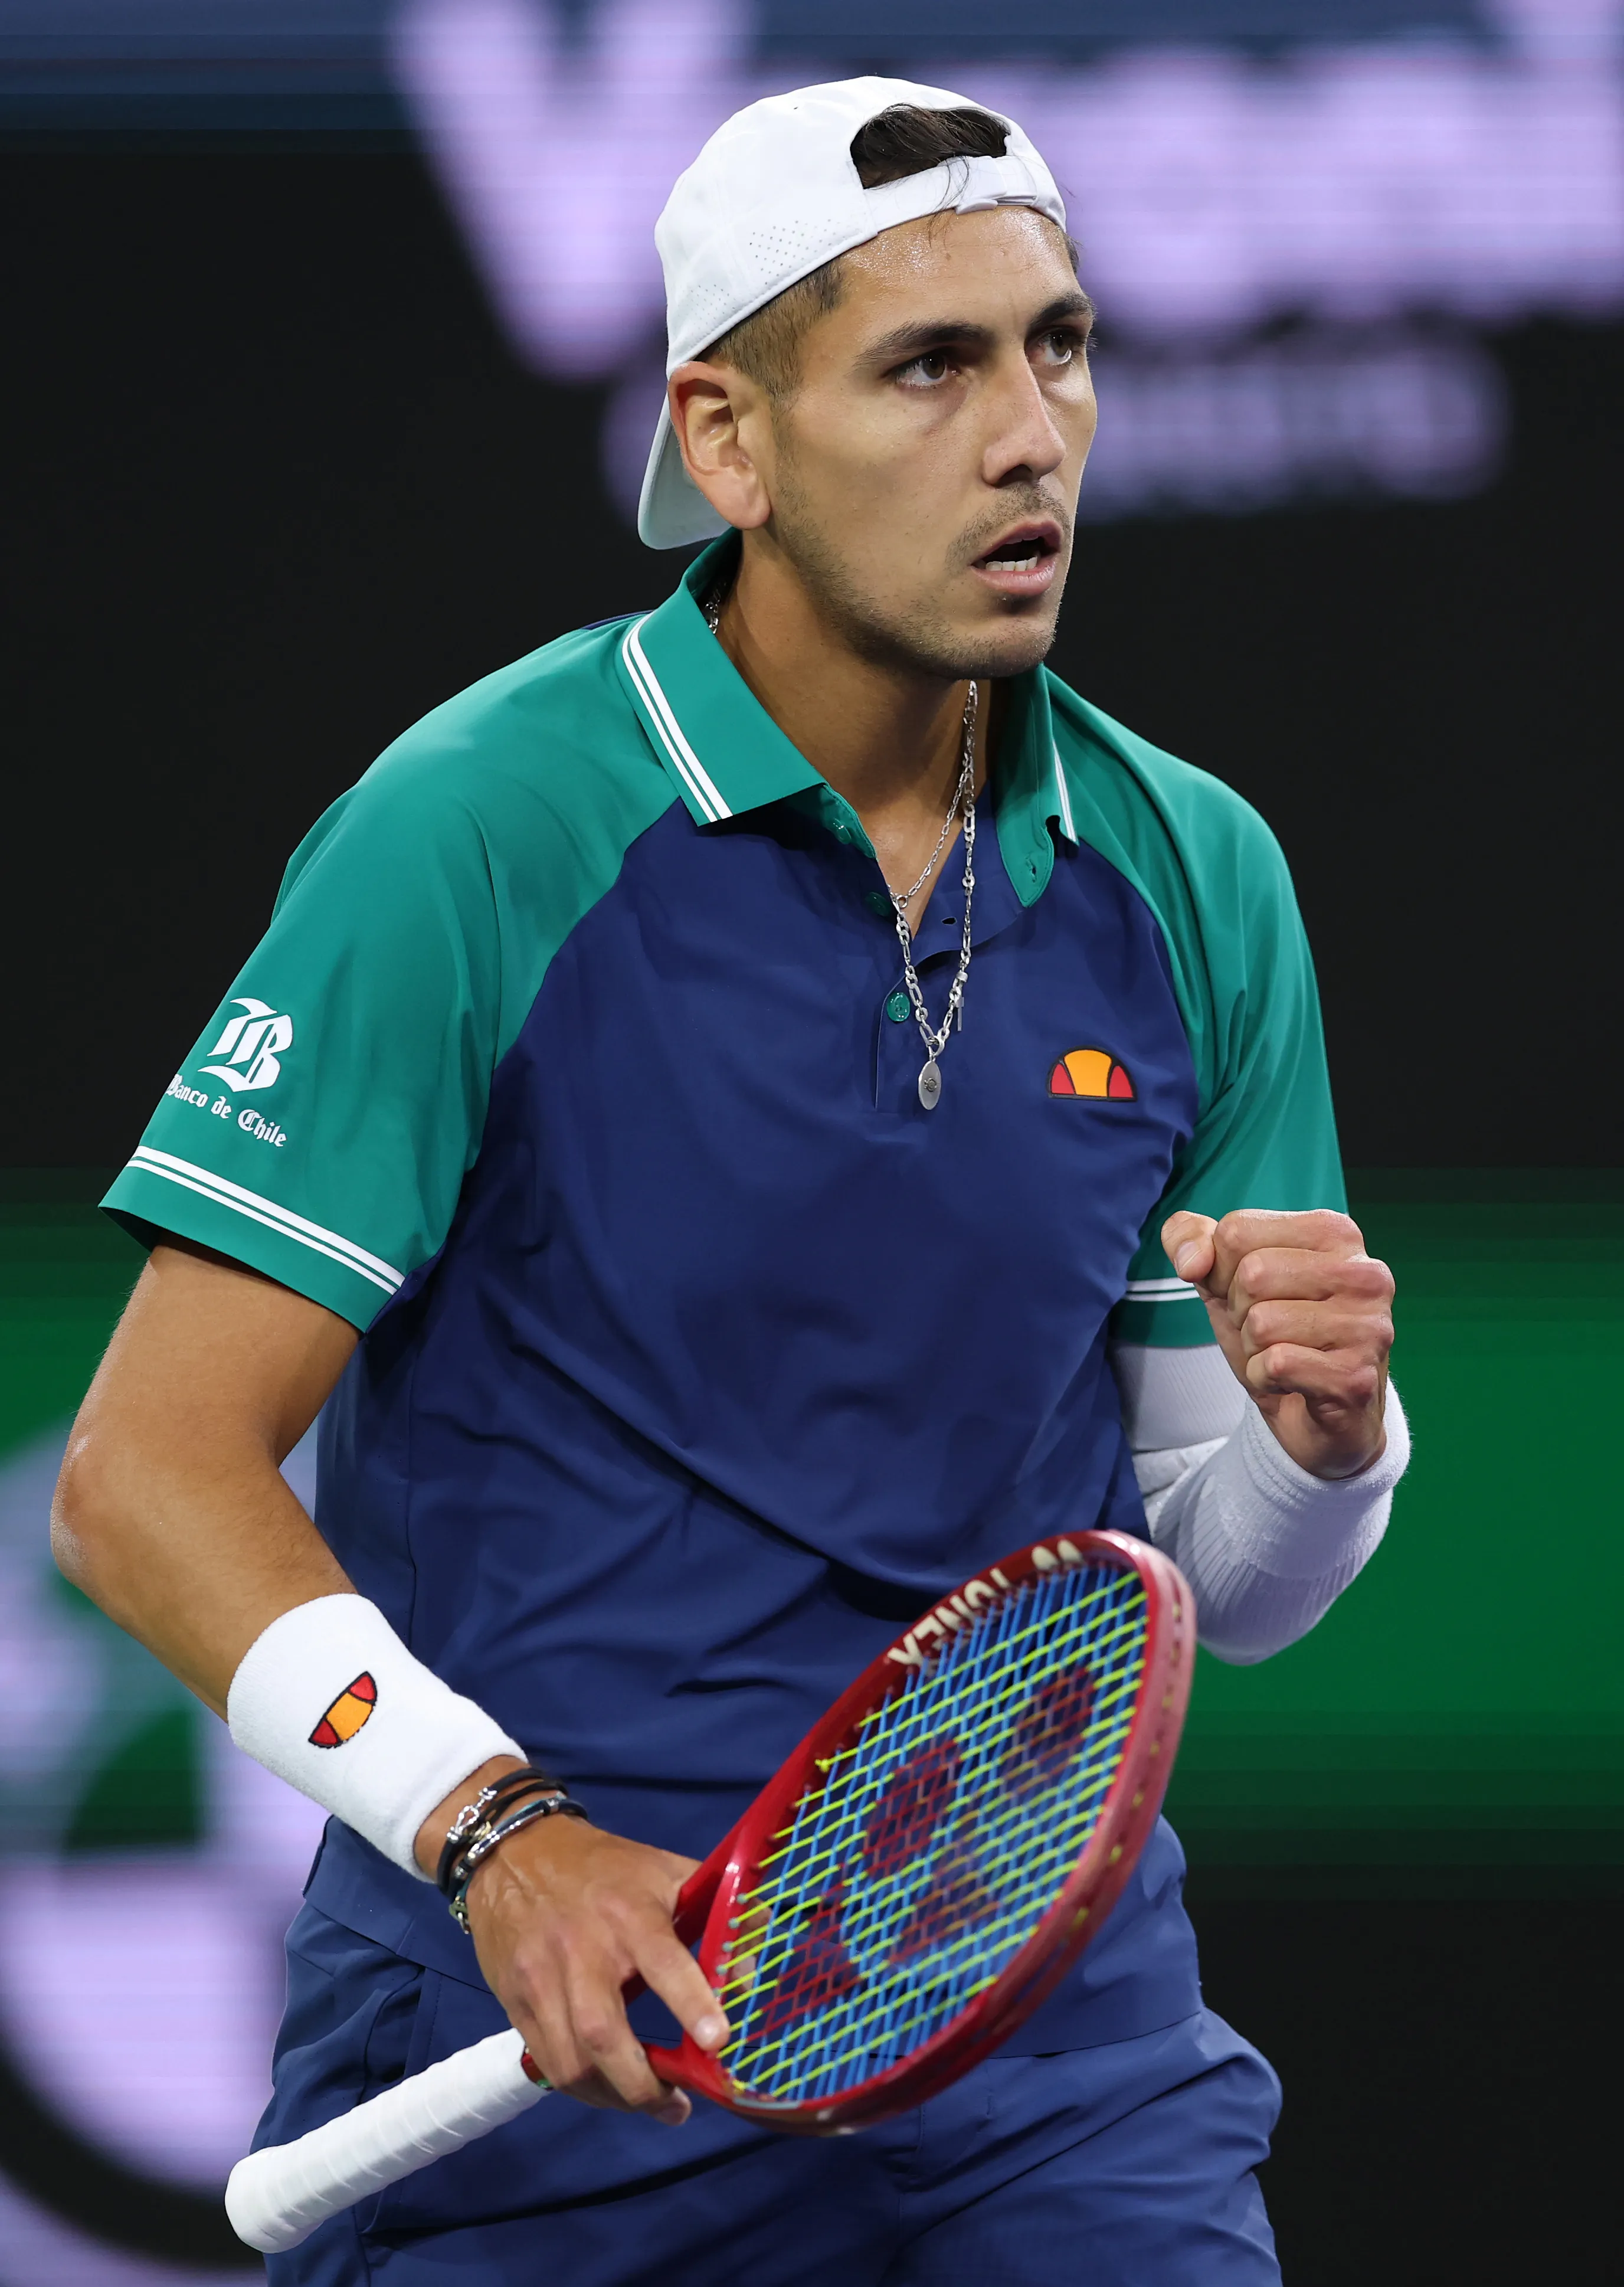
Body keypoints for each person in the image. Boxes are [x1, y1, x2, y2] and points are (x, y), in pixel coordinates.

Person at [54, 78, 1404, 2286]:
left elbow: (1223, 1589)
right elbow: (143, 1474)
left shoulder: (1197, 872)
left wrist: (1330, 1449)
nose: (1031, 435)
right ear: (728, 439)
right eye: (929, 365)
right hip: (559, 2025)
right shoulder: (474, 834)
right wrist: (498, 1840)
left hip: (1045, 2054)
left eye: (1059, 343)